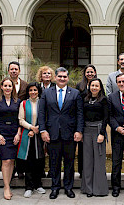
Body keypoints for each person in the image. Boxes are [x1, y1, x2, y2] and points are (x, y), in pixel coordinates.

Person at [38, 67, 84, 199]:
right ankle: (55, 188)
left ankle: (69, 188)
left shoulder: (75, 93)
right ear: (55, 78)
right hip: (52, 134)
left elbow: (79, 114)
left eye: (64, 77)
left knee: (69, 163)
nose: (62, 79)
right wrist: (43, 130)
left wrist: (79, 131)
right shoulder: (47, 93)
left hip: (70, 134)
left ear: (68, 78)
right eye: (60, 76)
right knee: (54, 162)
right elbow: (42, 113)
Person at [0, 77, 21, 200]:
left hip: (14, 133)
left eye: (10, 86)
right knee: (5, 160)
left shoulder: (17, 101)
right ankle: (6, 186)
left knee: (12, 160)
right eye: (6, 86)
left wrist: (18, 134)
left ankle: (8, 184)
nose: (8, 88)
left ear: (13, 88)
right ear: (2, 87)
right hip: (2, 133)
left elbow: (20, 118)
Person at [81, 78, 109, 197]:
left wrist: (102, 133)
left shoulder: (104, 100)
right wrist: (81, 132)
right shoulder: (85, 99)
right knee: (87, 161)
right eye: (92, 85)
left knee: (99, 161)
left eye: (97, 86)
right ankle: (88, 189)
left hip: (98, 131)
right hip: (87, 131)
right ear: (89, 86)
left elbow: (106, 117)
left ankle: (99, 189)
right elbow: (81, 116)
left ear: (100, 87)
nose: (94, 88)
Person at [18, 82, 46, 198]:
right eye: (30, 90)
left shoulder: (43, 103)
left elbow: (46, 117)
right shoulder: (24, 103)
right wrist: (30, 127)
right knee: (29, 161)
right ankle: (29, 187)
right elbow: (20, 119)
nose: (33, 92)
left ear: (38, 91)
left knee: (39, 160)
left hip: (40, 135)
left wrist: (37, 128)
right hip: (27, 135)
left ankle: (38, 185)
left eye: (35, 90)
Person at [75, 64, 97, 178]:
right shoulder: (80, 86)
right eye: (88, 72)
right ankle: (82, 171)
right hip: (82, 119)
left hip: (94, 120)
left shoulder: (97, 84)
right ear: (85, 73)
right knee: (83, 148)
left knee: (94, 149)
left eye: (92, 72)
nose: (90, 74)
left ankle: (93, 170)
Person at [8, 61, 28, 179]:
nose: (14, 71)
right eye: (11, 69)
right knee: (10, 145)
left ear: (19, 71)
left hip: (22, 119)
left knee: (21, 145)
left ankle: (21, 169)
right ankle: (11, 170)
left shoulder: (25, 85)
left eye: (16, 69)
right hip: (8, 119)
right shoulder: (3, 84)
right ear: (9, 71)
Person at [35, 66, 55, 177]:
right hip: (39, 120)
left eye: (48, 73)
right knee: (40, 148)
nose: (47, 75)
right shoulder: (37, 87)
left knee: (52, 148)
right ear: (41, 76)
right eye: (44, 73)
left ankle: (52, 171)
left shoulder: (55, 87)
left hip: (52, 121)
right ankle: (41, 171)